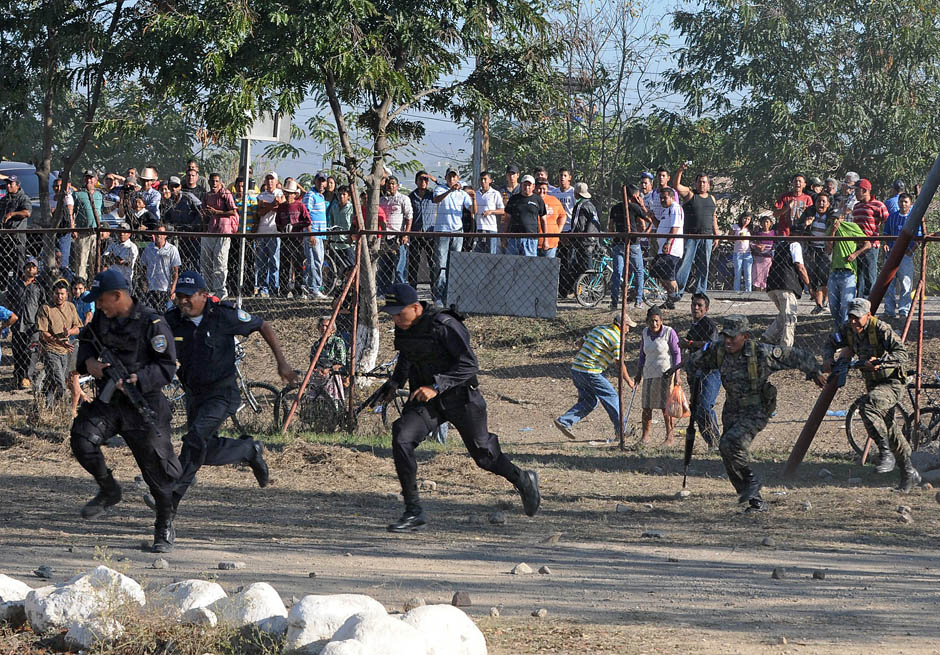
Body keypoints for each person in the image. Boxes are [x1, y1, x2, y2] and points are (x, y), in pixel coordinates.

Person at [376, 283, 540, 531]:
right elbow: (407, 357)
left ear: (416, 307)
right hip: (428, 402)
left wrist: (437, 385)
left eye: (400, 313)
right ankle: (413, 511)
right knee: (402, 436)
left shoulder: (444, 324)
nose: (396, 319)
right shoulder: (404, 328)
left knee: (484, 457)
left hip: (462, 398)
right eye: (392, 314)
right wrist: (394, 383)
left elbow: (469, 365)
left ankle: (523, 479)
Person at [161, 271, 297, 515]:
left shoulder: (223, 316)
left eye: (188, 296)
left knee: (194, 440)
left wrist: (281, 362)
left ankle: (170, 496)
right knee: (203, 450)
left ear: (204, 295)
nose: (183, 301)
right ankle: (248, 450)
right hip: (194, 394)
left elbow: (262, 324)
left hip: (222, 393)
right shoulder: (172, 321)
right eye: (179, 296)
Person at [70, 269, 182, 553]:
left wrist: (139, 380)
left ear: (117, 296)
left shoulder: (152, 322)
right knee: (82, 439)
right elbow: (85, 346)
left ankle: (164, 524)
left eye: (102, 300)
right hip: (110, 404)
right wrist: (90, 365)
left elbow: (167, 366)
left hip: (143, 405)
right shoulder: (101, 319)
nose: (99, 306)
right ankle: (109, 489)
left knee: (156, 470)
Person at [685, 315, 824, 512]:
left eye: (733, 337)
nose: (728, 341)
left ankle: (752, 481)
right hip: (732, 410)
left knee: (730, 443)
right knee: (727, 452)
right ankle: (755, 501)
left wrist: (815, 371)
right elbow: (693, 361)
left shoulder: (761, 353)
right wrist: (695, 370)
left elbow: (795, 355)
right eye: (725, 336)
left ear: (745, 336)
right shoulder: (719, 350)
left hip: (756, 410)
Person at [823, 298, 918, 491]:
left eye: (857, 318)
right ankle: (908, 472)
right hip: (873, 383)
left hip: (891, 383)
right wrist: (827, 358)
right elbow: (830, 343)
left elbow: (902, 354)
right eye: (851, 317)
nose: (853, 322)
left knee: (868, 405)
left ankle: (886, 454)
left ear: (868, 316)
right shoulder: (847, 329)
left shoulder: (882, 329)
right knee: (888, 427)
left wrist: (880, 361)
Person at [553, 313, 637, 443]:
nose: (628, 329)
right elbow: (620, 364)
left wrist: (591, 353)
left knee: (589, 401)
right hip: (591, 372)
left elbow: (580, 343)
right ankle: (622, 430)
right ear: (622, 325)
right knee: (612, 396)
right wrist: (630, 382)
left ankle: (564, 421)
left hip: (577, 369)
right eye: (628, 326)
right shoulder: (617, 338)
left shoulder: (599, 328)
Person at [636, 306, 682, 445]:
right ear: (647, 321)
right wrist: (638, 373)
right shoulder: (645, 333)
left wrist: (677, 374)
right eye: (651, 321)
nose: (654, 324)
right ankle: (645, 437)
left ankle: (669, 436)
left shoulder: (669, 332)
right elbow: (642, 355)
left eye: (656, 321)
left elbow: (676, 354)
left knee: (665, 407)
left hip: (666, 374)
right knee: (646, 407)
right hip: (649, 374)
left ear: (661, 321)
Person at [673, 165, 719, 298]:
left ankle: (700, 292)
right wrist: (680, 170)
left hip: (707, 237)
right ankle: (677, 293)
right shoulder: (690, 194)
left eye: (704, 182)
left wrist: (717, 235)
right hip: (691, 236)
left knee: (704, 266)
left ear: (708, 184)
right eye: (699, 182)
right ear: (696, 183)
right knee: (684, 265)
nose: (702, 184)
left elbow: (714, 217)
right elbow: (676, 186)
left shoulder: (712, 198)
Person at [36, 279, 82, 407]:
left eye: (62, 294)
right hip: (51, 350)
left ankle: (47, 407)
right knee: (61, 384)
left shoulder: (71, 307)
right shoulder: (46, 309)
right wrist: (59, 341)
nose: (59, 297)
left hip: (65, 351)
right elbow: (43, 333)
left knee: (52, 381)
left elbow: (77, 328)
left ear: (67, 294)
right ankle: (57, 406)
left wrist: (69, 332)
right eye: (57, 293)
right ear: (52, 294)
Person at [432, 170, 475, 304]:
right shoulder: (439, 189)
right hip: (442, 231)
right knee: (440, 264)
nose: (452, 178)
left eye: (454, 176)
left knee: (454, 265)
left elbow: (473, 210)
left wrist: (473, 197)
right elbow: (436, 200)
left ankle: (451, 296)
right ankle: (438, 296)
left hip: (457, 232)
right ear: (445, 177)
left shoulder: (462, 194)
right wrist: (450, 190)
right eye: (450, 176)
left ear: (458, 178)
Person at [684, 294, 720, 448]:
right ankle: (712, 443)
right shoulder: (695, 326)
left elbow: (710, 345)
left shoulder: (708, 325)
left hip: (710, 372)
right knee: (698, 409)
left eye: (699, 305)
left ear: (707, 309)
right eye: (694, 304)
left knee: (705, 406)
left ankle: (716, 442)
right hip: (696, 373)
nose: (695, 308)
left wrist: (691, 343)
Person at [763, 233, 810, 348]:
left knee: (784, 314)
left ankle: (768, 337)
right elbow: (800, 266)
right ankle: (786, 347)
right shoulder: (795, 245)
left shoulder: (781, 245)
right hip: (786, 286)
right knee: (790, 317)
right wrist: (810, 285)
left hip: (773, 285)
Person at [825, 213, 871, 328]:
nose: (835, 221)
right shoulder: (830, 230)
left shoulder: (852, 227)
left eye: (837, 218)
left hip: (848, 271)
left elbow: (868, 243)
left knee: (846, 304)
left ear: (842, 218)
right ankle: (838, 328)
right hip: (835, 271)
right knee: (833, 304)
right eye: (832, 219)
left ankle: (846, 330)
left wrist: (855, 254)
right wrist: (833, 232)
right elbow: (828, 250)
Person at [607, 183, 648, 309]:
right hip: (633, 243)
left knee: (617, 272)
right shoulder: (635, 208)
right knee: (639, 271)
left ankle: (614, 302)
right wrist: (642, 234)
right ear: (635, 195)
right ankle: (638, 300)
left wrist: (613, 238)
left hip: (618, 243)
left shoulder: (615, 208)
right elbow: (644, 223)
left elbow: (611, 226)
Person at [796, 191, 836, 314]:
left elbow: (836, 225)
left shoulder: (832, 215)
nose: (821, 204)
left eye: (824, 201)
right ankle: (818, 305)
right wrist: (806, 224)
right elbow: (798, 228)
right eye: (818, 201)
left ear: (828, 204)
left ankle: (826, 302)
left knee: (825, 276)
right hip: (811, 249)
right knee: (814, 277)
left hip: (826, 250)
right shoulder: (809, 213)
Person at [5, 258, 42, 389]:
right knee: (18, 351)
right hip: (17, 324)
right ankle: (18, 377)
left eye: (33, 266)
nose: (30, 268)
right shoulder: (14, 285)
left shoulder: (39, 286)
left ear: (37, 270)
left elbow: (43, 305)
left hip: (33, 326)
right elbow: (8, 303)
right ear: (24, 268)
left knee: (32, 352)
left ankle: (28, 376)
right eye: (28, 266)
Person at [201, 173, 238, 298]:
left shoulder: (225, 194)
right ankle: (208, 288)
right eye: (212, 181)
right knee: (206, 261)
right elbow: (203, 212)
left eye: (216, 181)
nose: (214, 184)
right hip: (210, 230)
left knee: (220, 261)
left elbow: (233, 211)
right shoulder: (207, 195)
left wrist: (217, 212)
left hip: (224, 230)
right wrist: (206, 213)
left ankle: (221, 291)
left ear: (220, 182)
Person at [559, 182, 601, 296]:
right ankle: (565, 290)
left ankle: (591, 293)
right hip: (593, 240)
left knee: (585, 268)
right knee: (579, 267)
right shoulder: (591, 205)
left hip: (583, 241)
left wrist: (569, 235)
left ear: (576, 193)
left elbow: (578, 225)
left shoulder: (580, 206)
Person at [882, 193, 919, 319]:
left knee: (906, 283)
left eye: (906, 202)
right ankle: (889, 310)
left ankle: (904, 310)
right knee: (888, 283)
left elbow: (918, 237)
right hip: (892, 254)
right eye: (901, 201)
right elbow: (886, 233)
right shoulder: (892, 217)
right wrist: (886, 244)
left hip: (906, 256)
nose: (903, 204)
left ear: (910, 204)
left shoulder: (914, 219)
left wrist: (911, 250)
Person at [851, 179, 889, 298]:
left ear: (865, 190)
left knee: (870, 276)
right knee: (858, 276)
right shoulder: (856, 207)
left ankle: (871, 303)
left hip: (871, 246)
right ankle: (859, 302)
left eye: (857, 190)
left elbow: (886, 222)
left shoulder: (879, 205)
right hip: (857, 246)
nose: (855, 193)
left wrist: (885, 240)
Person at [647, 187, 684, 308]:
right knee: (656, 271)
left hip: (671, 249)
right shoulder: (666, 210)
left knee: (668, 275)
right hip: (662, 248)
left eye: (665, 197)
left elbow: (675, 227)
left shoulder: (675, 208)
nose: (662, 200)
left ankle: (674, 296)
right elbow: (660, 226)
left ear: (672, 197)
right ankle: (670, 298)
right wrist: (652, 217)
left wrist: (668, 242)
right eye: (661, 198)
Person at [378, 175, 414, 292]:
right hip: (384, 238)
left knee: (399, 268)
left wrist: (406, 234)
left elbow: (409, 218)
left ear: (397, 186)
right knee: (384, 268)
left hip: (398, 237)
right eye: (388, 183)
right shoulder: (381, 200)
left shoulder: (403, 199)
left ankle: (401, 293)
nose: (390, 186)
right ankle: (384, 293)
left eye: (393, 183)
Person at [275, 180, 310, 298]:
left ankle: (298, 290)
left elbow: (307, 221)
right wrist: (283, 228)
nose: (289, 195)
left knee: (298, 264)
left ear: (295, 194)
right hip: (285, 239)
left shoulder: (300, 206)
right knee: (284, 265)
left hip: (297, 239)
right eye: (287, 193)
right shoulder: (281, 207)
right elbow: (277, 223)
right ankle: (284, 290)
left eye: (291, 193)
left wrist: (295, 226)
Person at [253, 172, 284, 297]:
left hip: (274, 231)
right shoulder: (261, 195)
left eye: (272, 179)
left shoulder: (280, 194)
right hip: (262, 231)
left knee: (274, 262)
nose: (270, 182)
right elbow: (259, 212)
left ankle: (274, 288)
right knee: (261, 262)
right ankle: (262, 288)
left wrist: (267, 206)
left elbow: (281, 207)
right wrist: (272, 205)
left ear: (276, 181)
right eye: (268, 179)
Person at [71, 171, 104, 283]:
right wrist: (73, 228)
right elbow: (72, 212)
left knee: (95, 262)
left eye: (92, 178)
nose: (89, 180)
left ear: (96, 180)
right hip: (83, 233)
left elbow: (102, 212)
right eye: (87, 178)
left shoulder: (100, 195)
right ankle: (80, 287)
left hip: (96, 234)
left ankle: (93, 285)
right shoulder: (78, 194)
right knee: (81, 263)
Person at [301, 172, 330, 299]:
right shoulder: (310, 195)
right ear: (315, 182)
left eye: (324, 181)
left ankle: (308, 287)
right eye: (319, 181)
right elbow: (305, 215)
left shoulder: (321, 197)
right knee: (314, 261)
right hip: (313, 234)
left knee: (318, 261)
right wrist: (311, 233)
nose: (322, 184)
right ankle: (314, 288)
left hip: (320, 234)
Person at [140, 224, 181, 312]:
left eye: (161, 233)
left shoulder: (172, 249)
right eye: (157, 233)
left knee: (165, 313)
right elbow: (143, 266)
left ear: (165, 235)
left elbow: (175, 271)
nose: (159, 235)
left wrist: (173, 288)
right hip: (151, 287)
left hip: (165, 288)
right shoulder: (149, 248)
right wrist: (144, 282)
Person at [68, 278, 93, 417]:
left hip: (81, 339)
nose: (78, 291)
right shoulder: (73, 301)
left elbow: (89, 314)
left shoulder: (87, 298)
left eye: (80, 289)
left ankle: (73, 409)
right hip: (71, 339)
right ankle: (84, 397)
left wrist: (83, 329)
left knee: (73, 375)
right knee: (69, 377)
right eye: (75, 288)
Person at [0, 174, 32, 285]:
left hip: (17, 238)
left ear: (17, 185)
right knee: (4, 266)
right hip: (4, 238)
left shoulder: (23, 198)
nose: (8, 186)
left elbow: (27, 213)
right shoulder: (4, 200)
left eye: (11, 184)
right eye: (7, 184)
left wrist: (12, 214)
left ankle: (18, 288)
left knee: (18, 266)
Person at [408, 171, 437, 285]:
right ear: (416, 181)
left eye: (426, 180)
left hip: (429, 234)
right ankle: (412, 293)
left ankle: (435, 293)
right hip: (415, 234)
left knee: (433, 263)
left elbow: (445, 188)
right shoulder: (411, 197)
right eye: (421, 179)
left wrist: (434, 179)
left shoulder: (432, 195)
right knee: (414, 264)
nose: (423, 182)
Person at [309, 315, 348, 402]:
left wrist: (329, 370)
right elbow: (312, 362)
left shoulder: (338, 342)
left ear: (332, 329)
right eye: (322, 326)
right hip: (318, 376)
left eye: (327, 326)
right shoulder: (316, 344)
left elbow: (341, 362)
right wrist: (318, 369)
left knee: (332, 402)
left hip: (332, 376)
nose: (324, 328)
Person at [474, 171, 504, 254]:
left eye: (485, 179)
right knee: (479, 255)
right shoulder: (476, 194)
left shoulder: (495, 193)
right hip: (479, 229)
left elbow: (502, 210)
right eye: (481, 179)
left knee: (491, 255)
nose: (483, 181)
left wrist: (491, 212)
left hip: (491, 229)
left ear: (490, 180)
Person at [327, 185, 356, 271]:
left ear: (349, 196)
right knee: (334, 269)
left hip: (347, 243)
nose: (341, 196)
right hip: (335, 243)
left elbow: (355, 224)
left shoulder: (352, 208)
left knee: (351, 267)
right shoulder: (334, 207)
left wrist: (352, 237)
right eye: (339, 194)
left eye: (344, 194)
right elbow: (331, 223)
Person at [536, 180, 566, 258]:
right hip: (533, 243)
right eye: (539, 188)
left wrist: (558, 232)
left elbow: (563, 216)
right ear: (535, 188)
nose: (542, 191)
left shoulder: (553, 200)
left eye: (544, 188)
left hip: (551, 243)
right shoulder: (531, 200)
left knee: (549, 268)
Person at [750, 215, 774, 291]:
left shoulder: (773, 233)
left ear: (770, 223)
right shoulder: (757, 233)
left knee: (766, 276)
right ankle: (757, 292)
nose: (765, 224)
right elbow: (751, 243)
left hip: (768, 259)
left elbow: (776, 244)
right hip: (758, 258)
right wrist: (757, 246)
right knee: (757, 276)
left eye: (767, 222)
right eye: (763, 222)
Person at [729, 213, 753, 292]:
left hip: (747, 253)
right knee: (737, 274)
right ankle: (736, 291)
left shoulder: (750, 229)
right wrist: (737, 238)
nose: (746, 221)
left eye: (748, 219)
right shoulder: (735, 227)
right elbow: (729, 238)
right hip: (737, 253)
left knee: (748, 274)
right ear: (741, 218)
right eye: (745, 218)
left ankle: (748, 291)